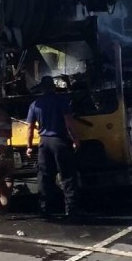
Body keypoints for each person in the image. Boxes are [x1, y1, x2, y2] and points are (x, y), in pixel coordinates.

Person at [26, 76, 81, 219]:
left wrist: (29, 146)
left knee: (45, 177)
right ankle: (71, 210)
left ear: (42, 88)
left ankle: (45, 210)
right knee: (67, 176)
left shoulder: (35, 104)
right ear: (53, 87)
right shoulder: (61, 101)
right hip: (59, 141)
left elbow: (30, 128)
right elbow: (69, 122)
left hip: (44, 143)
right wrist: (75, 139)